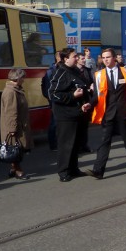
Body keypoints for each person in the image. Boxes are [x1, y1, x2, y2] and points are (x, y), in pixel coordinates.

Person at [84, 48, 126, 179]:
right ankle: (98, 170)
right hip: (108, 113)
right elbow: (97, 95)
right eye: (103, 57)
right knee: (104, 142)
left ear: (115, 58)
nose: (105, 60)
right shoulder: (99, 75)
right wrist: (90, 104)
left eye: (108, 57)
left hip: (123, 112)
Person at [49, 48, 92, 182]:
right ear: (65, 59)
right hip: (66, 116)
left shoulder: (75, 71)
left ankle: (74, 169)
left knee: (75, 144)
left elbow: (82, 89)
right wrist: (72, 96)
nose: (77, 59)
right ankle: (63, 172)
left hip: (78, 114)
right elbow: (53, 93)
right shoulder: (61, 72)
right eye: (74, 57)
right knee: (66, 145)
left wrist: (86, 101)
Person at [0, 68, 33, 180]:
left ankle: (14, 169)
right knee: (15, 149)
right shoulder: (11, 92)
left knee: (16, 148)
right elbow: (11, 112)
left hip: (18, 125)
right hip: (15, 126)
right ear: (17, 78)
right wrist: (12, 128)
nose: (24, 80)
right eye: (23, 78)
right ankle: (18, 171)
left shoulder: (15, 90)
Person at [41, 51, 61, 151]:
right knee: (54, 123)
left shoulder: (62, 70)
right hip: (55, 101)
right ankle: (53, 145)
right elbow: (47, 88)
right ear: (57, 58)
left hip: (62, 100)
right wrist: (51, 98)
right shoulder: (51, 71)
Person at [76, 52, 94, 153]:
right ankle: (77, 146)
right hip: (78, 100)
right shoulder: (74, 71)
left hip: (86, 100)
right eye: (82, 58)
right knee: (77, 126)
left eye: (84, 58)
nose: (84, 60)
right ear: (77, 59)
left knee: (84, 125)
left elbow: (91, 81)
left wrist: (91, 87)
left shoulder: (87, 70)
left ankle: (84, 144)